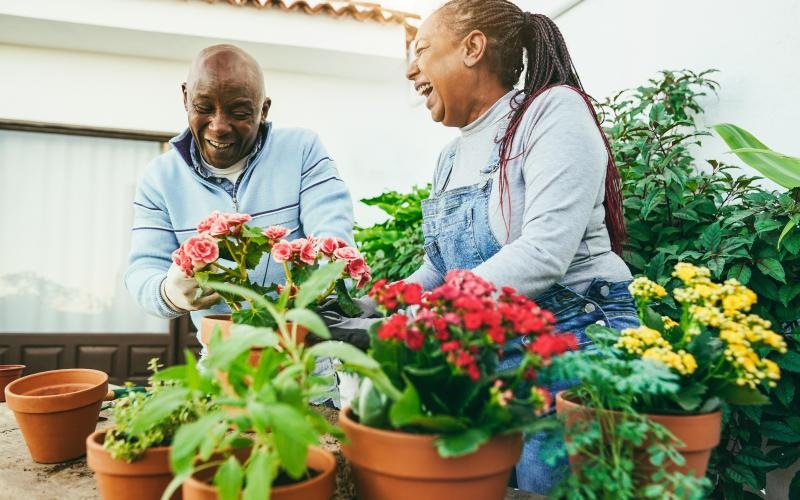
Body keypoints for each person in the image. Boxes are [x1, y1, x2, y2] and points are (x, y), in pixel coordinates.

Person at [404, 0, 639, 494]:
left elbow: (543, 253)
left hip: (573, 346)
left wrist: (421, 315)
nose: (411, 69)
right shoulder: (450, 157)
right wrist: (372, 305)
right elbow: (439, 267)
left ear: (473, 48)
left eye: (422, 50)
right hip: (495, 361)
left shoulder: (552, 112)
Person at [124, 44, 355, 351]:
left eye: (239, 112)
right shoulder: (160, 178)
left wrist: (314, 285)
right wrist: (169, 292)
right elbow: (142, 271)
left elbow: (334, 246)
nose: (219, 126)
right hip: (223, 357)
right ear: (185, 98)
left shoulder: (302, 151)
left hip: (305, 357)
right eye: (204, 107)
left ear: (264, 110)